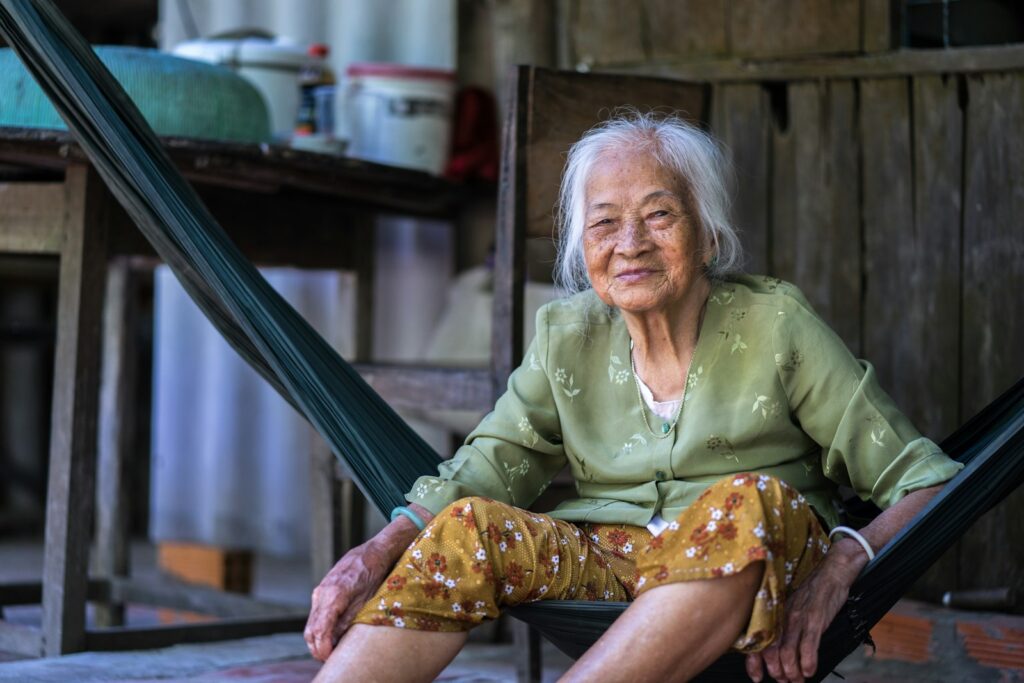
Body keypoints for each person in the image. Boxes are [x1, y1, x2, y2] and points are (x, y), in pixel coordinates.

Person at [304, 112, 962, 683]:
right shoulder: (567, 335)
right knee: (468, 525)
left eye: (659, 214)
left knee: (748, 498)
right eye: (605, 222)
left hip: (755, 562)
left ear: (705, 233)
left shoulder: (776, 325)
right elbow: (488, 463)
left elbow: (928, 480)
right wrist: (376, 551)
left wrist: (843, 562)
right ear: (582, 245)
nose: (630, 243)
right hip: (609, 565)